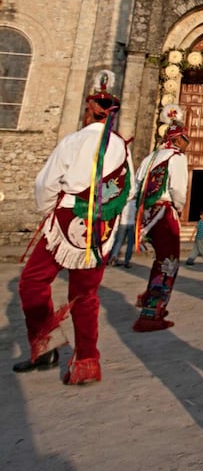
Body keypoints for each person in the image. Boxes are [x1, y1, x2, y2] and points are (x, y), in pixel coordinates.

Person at [13, 71, 133, 384]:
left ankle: (46, 343)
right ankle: (87, 362)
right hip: (100, 229)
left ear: (91, 109)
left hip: (65, 222)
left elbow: (46, 183)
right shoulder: (121, 147)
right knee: (86, 294)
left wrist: (46, 211)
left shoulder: (74, 140)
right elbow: (126, 190)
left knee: (32, 282)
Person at [131, 105, 189, 332]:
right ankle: (152, 313)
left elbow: (136, 186)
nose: (187, 145)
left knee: (160, 261)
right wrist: (180, 207)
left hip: (147, 215)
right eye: (185, 140)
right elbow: (178, 189)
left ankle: (150, 302)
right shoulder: (177, 157)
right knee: (169, 263)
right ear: (178, 140)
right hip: (165, 213)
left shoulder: (149, 158)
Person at [108, 194, 137, 267]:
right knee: (130, 244)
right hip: (132, 223)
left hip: (122, 223)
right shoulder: (136, 203)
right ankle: (127, 261)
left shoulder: (123, 202)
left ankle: (113, 258)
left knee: (118, 241)